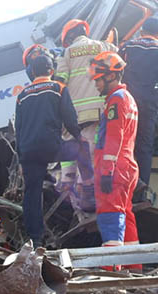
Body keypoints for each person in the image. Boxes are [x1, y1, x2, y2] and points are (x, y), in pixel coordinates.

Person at [14, 45, 84, 246]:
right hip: (52, 148)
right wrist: (80, 139)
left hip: (29, 152)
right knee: (81, 152)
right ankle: (89, 196)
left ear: (33, 72)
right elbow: (69, 119)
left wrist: (20, 159)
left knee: (32, 193)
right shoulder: (58, 88)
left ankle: (35, 239)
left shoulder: (22, 95)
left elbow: (19, 129)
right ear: (51, 71)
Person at [54, 19, 119, 213]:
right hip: (98, 109)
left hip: (74, 113)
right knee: (92, 149)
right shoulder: (102, 46)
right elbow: (118, 56)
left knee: (75, 147)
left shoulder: (67, 53)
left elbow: (60, 83)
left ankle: (78, 188)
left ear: (69, 37)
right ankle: (89, 192)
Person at [119, 16, 158, 188]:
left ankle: (116, 181)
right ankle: (141, 188)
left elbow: (114, 68)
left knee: (121, 140)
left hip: (125, 99)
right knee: (144, 145)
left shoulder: (127, 46)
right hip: (149, 102)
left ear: (141, 31)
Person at [90, 52, 140, 256]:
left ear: (110, 76)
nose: (96, 85)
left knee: (110, 217)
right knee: (125, 217)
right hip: (126, 166)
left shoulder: (116, 100)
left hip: (115, 168)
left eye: (98, 80)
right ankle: (133, 266)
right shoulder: (126, 98)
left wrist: (107, 170)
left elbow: (114, 136)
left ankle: (112, 269)